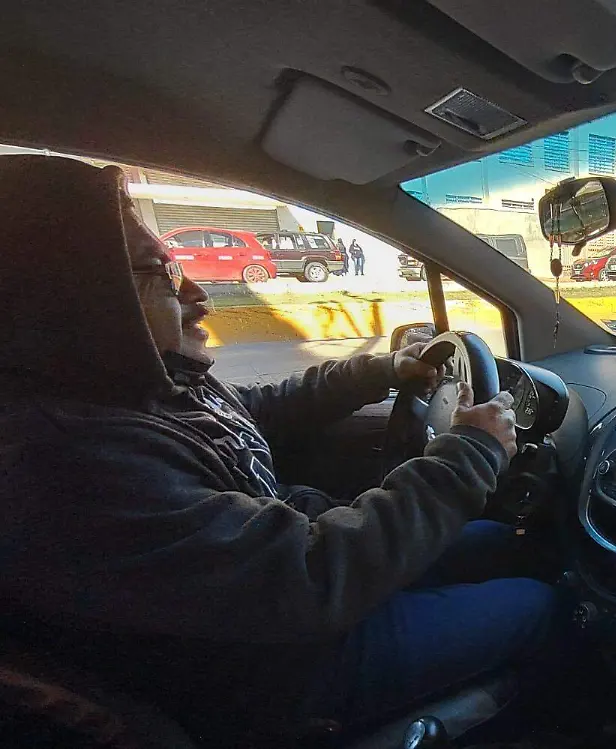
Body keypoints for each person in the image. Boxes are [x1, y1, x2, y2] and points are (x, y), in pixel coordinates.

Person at [0, 156, 559, 742]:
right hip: (286, 666)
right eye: (163, 276)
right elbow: (312, 576)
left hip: (288, 604)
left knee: (502, 541)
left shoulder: (140, 385)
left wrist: (382, 371)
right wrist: (469, 451)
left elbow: (258, 410)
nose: (199, 295)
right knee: (536, 601)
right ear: (75, 299)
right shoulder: (70, 460)